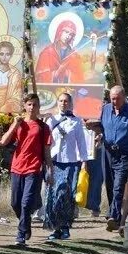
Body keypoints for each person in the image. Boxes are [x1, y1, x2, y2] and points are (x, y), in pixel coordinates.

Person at [0, 93, 51, 247]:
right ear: (24, 106)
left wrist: (50, 171)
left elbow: (47, 151)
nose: (32, 108)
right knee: (15, 203)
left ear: (39, 107)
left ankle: (21, 235)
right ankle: (26, 224)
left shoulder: (43, 127)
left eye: (35, 105)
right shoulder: (19, 124)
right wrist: (15, 124)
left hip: (34, 169)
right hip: (16, 167)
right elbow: (3, 141)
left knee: (26, 203)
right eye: (29, 105)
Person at [100, 85, 128, 230]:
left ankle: (114, 215)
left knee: (119, 185)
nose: (114, 101)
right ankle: (113, 213)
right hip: (107, 152)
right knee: (109, 183)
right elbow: (100, 127)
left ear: (124, 98)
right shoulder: (105, 109)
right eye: (112, 99)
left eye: (117, 99)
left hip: (125, 153)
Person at [44, 92, 86, 240]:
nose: (63, 103)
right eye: (61, 101)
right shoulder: (51, 120)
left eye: (66, 101)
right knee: (53, 195)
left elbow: (81, 142)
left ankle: (65, 226)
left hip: (70, 162)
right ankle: (55, 228)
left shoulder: (77, 121)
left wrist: (84, 162)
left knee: (66, 195)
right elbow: (46, 142)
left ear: (71, 103)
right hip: (54, 162)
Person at [34, 18, 87, 84]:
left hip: (70, 91)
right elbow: (39, 77)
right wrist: (56, 73)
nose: (68, 36)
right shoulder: (47, 52)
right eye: (66, 32)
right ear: (59, 31)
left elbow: (80, 78)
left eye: (71, 34)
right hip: (49, 91)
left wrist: (67, 73)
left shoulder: (74, 55)